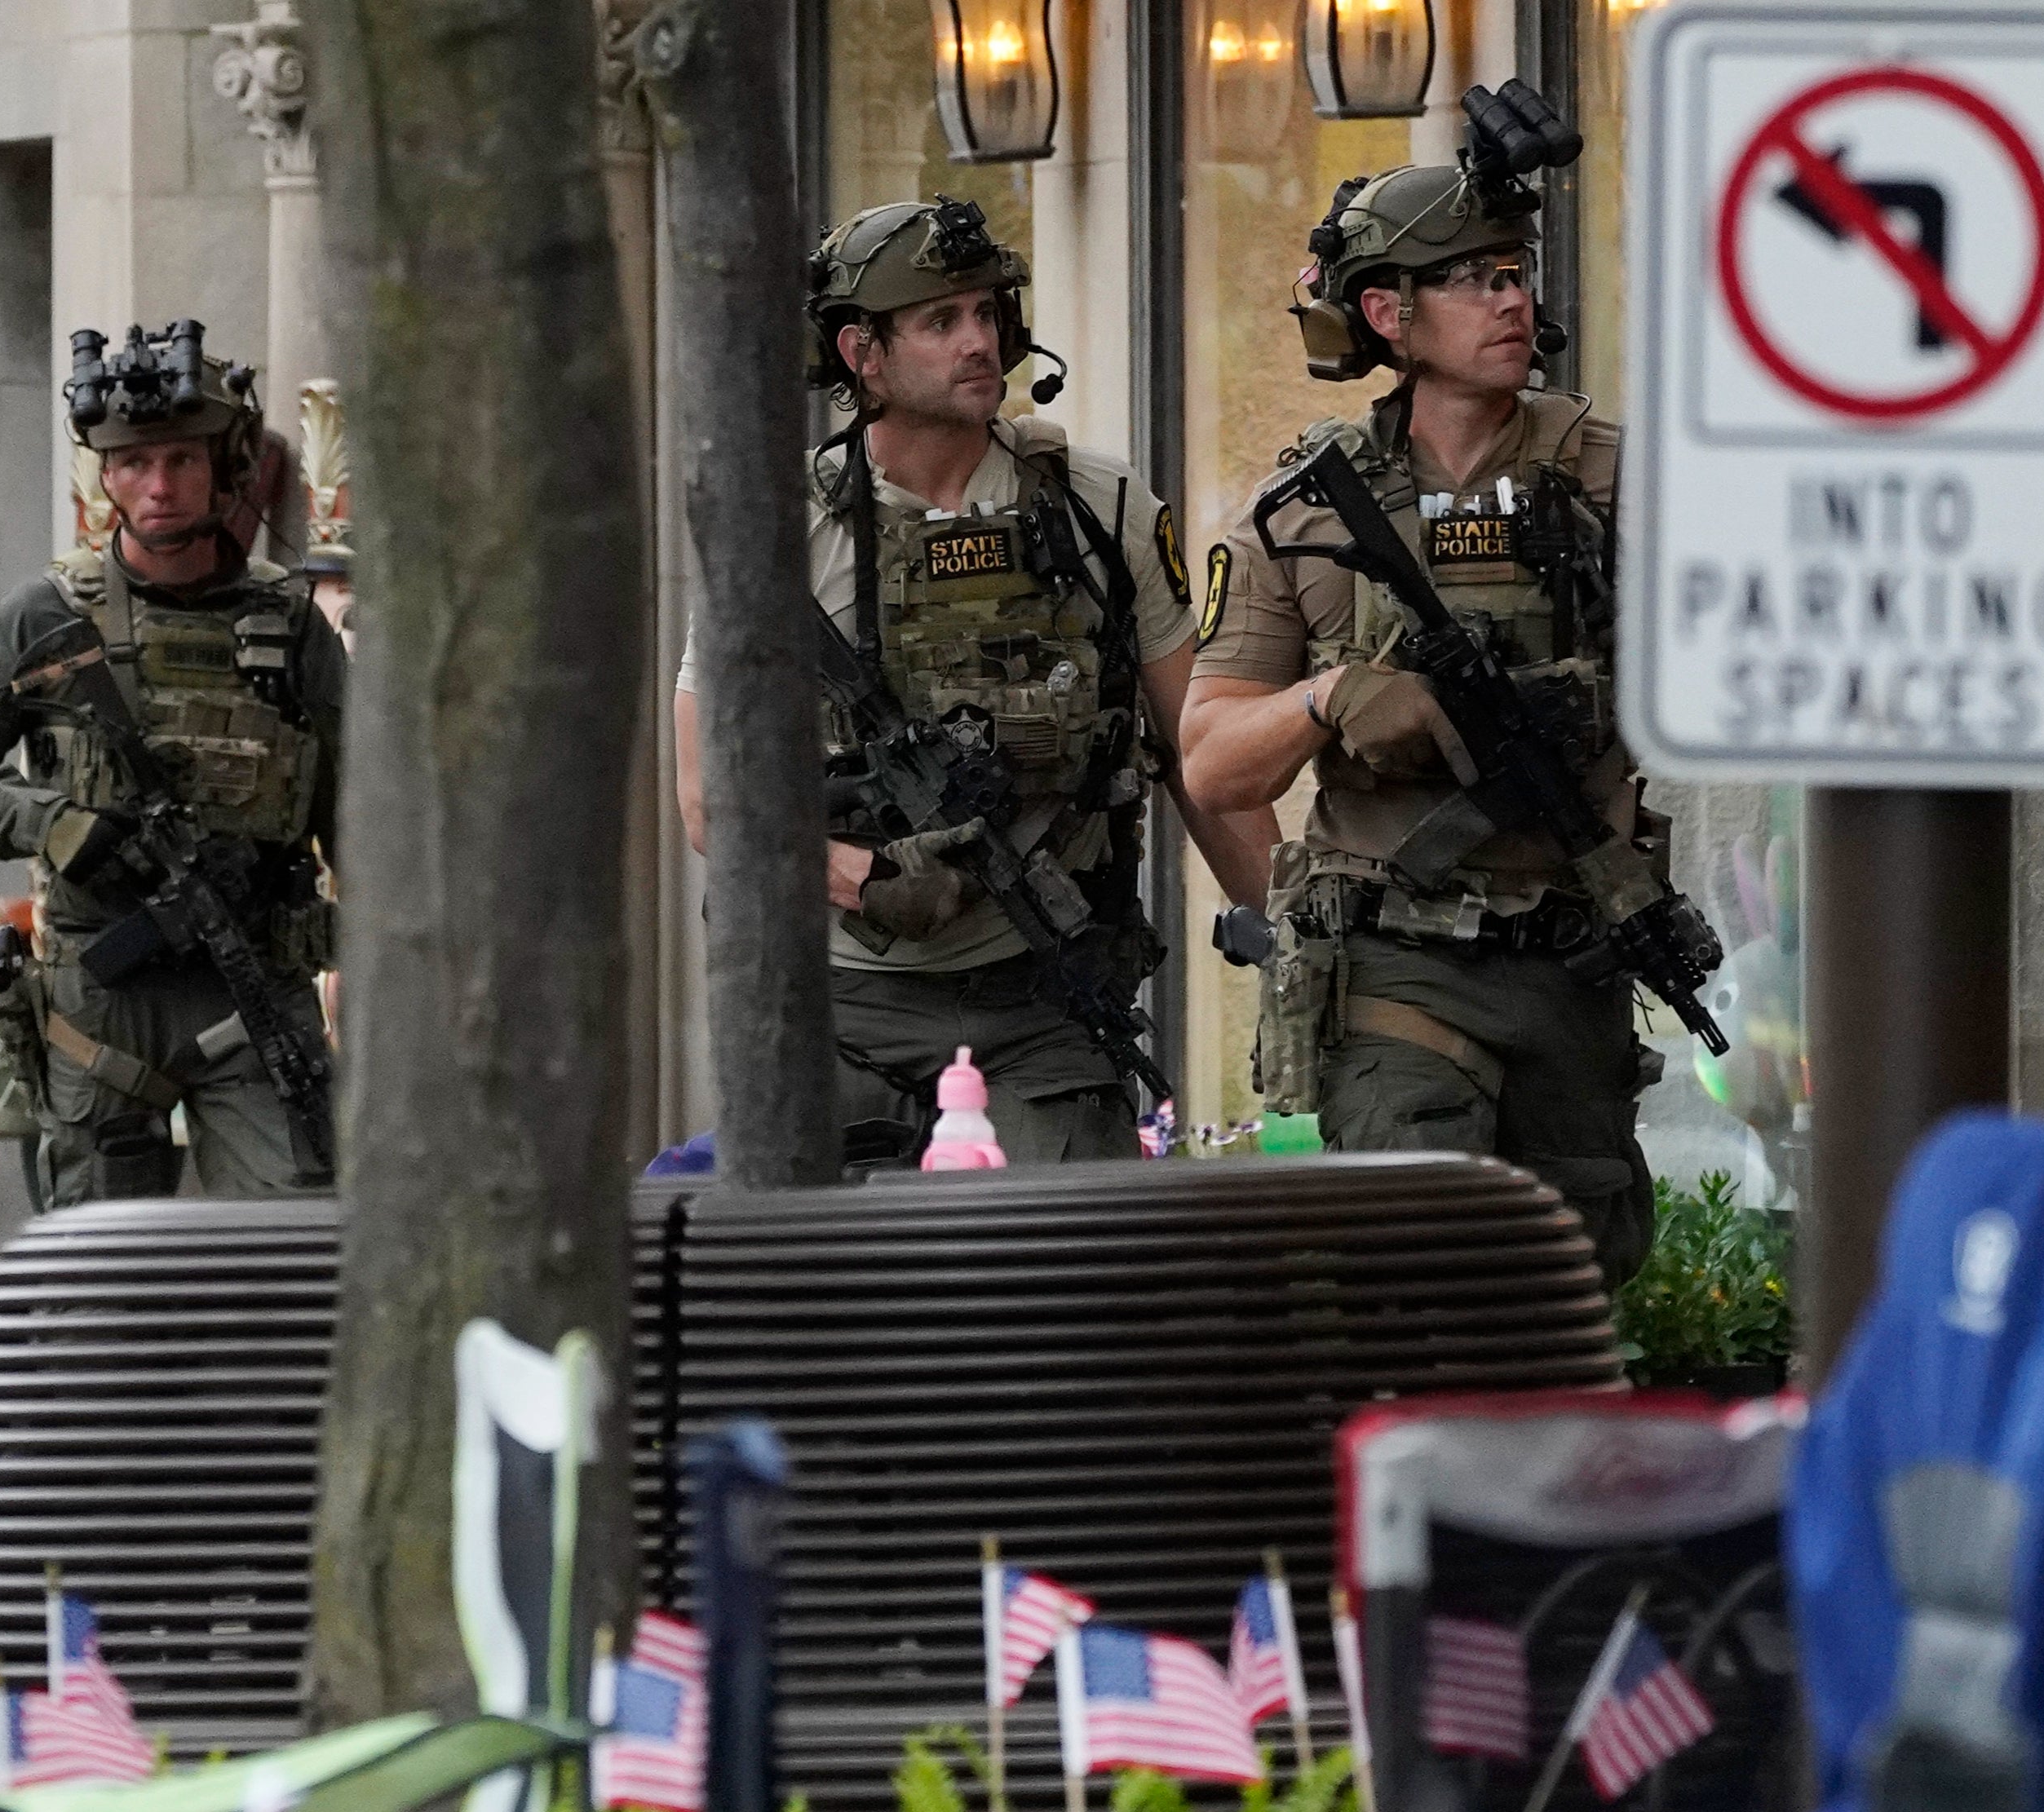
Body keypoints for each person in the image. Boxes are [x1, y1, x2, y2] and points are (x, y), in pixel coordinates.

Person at [674, 196, 1276, 1163]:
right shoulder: (776, 532)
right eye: (939, 320)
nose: (977, 342)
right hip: (839, 1004)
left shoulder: (1098, 508)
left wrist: (1286, 945)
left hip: (1044, 997)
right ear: (860, 354)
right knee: (832, 1299)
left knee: (1071, 1285)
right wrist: (862, 875)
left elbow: (1199, 752)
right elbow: (710, 800)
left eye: (988, 314)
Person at [1179, 151, 1669, 1280]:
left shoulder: (1619, 483)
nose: (1509, 298)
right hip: (1399, 963)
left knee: (1575, 1291)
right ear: (1385, 313)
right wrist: (1329, 695)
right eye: (1470, 277)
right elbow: (1210, 762)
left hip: (1573, 953)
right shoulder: (1303, 513)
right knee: (1419, 1276)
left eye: (1514, 272)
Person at [0, 321, 344, 1208]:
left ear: (227, 467)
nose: (159, 485)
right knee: (99, 1276)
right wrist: (53, 822)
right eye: (133, 462)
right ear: (105, 475)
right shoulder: (40, 621)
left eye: (180, 458)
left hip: (253, 985)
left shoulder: (292, 627)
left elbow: (362, 808)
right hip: (101, 998)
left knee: (297, 1248)